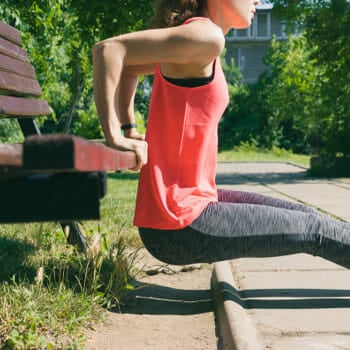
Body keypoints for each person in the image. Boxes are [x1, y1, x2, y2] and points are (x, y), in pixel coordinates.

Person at [92, 0, 350, 268]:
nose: (257, 1)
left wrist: (129, 128)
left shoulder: (197, 39)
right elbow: (109, 50)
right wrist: (115, 134)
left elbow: (130, 66)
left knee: (307, 215)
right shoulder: (206, 36)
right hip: (181, 223)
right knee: (314, 228)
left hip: (187, 208)